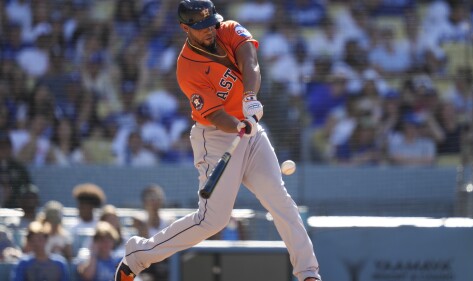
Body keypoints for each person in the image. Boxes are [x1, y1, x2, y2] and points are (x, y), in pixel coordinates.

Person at [114, 1, 321, 281]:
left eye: (210, 22)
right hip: (216, 136)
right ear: (185, 28)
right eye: (199, 27)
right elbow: (214, 115)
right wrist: (238, 124)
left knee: (281, 202)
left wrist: (249, 98)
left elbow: (250, 61)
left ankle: (308, 273)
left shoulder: (228, 29)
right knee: (211, 220)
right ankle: (138, 255)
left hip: (250, 130)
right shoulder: (187, 67)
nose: (208, 30)